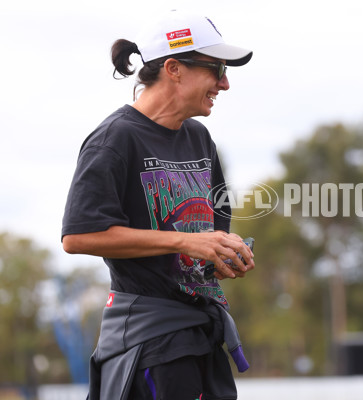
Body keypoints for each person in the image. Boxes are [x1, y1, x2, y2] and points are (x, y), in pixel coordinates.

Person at [61, 9, 255, 400]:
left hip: (202, 335)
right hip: (150, 344)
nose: (225, 83)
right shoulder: (114, 140)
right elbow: (79, 236)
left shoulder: (200, 138)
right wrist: (184, 242)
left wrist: (224, 254)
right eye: (216, 69)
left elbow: (214, 231)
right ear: (173, 68)